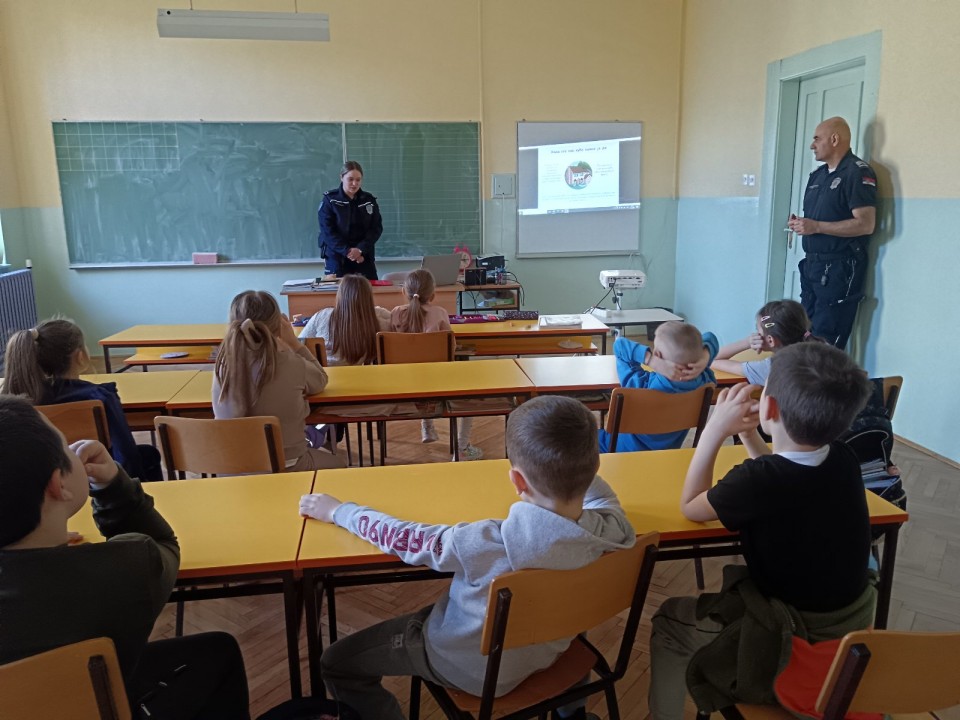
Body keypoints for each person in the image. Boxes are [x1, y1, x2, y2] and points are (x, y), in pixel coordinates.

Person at [299, 395, 635, 720]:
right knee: (571, 605)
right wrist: (572, 468)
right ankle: (572, 714)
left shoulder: (484, 541)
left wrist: (339, 511)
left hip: (468, 669)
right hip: (551, 649)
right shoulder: (612, 531)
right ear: (594, 467)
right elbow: (604, 498)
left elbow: (402, 537)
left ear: (517, 480)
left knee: (336, 663)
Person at [648, 343, 875, 720]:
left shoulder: (757, 481)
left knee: (670, 620)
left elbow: (691, 506)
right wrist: (750, 435)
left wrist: (713, 431)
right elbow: (783, 471)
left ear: (769, 408)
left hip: (790, 636)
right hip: (847, 629)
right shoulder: (842, 457)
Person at [0, 395, 250, 719]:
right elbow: (162, 543)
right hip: (99, 703)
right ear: (58, 484)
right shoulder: (124, 568)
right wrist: (112, 487)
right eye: (64, 445)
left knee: (214, 651)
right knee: (217, 652)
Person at [1, 318, 162, 481]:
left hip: (37, 481)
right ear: (80, 356)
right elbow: (126, 455)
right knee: (148, 455)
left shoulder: (13, 401)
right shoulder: (99, 397)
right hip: (95, 480)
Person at [213, 290, 345, 471]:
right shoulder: (291, 363)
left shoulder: (222, 367)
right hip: (289, 465)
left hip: (233, 470)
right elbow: (320, 379)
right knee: (339, 464)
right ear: (278, 325)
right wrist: (294, 344)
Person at [787, 116, 877, 349]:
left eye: (817, 139)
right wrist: (802, 224)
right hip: (812, 266)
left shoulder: (857, 173)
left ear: (834, 139)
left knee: (826, 341)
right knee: (803, 332)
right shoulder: (817, 176)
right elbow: (818, 220)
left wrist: (816, 226)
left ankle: (824, 374)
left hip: (839, 268)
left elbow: (866, 224)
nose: (812, 145)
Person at [390, 268, 482, 460]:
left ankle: (428, 427)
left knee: (421, 372)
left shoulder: (396, 313)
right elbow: (450, 347)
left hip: (402, 383)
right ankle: (462, 448)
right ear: (433, 295)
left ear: (404, 292)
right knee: (470, 393)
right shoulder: (440, 313)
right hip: (438, 382)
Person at [598, 321, 718, 453]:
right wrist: (704, 358)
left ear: (657, 355)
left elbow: (620, 346)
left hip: (621, 450)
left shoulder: (642, 385)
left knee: (587, 436)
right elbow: (711, 337)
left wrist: (650, 360)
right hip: (665, 454)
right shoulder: (705, 380)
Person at [711, 299, 823, 386]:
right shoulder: (823, 351)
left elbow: (711, 359)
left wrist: (747, 342)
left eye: (758, 330)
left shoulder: (771, 367)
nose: (756, 334)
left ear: (770, 340)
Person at [298, 275, 392, 366]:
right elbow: (394, 319)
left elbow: (300, 342)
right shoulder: (376, 321)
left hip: (326, 373)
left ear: (340, 295)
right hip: (360, 374)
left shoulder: (322, 315)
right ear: (369, 298)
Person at [318, 160, 383, 280]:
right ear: (341, 177)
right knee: (339, 291)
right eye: (350, 179)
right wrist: (348, 252)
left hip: (363, 257)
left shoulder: (369, 200)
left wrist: (360, 249)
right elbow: (328, 232)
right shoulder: (330, 200)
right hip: (337, 258)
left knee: (368, 290)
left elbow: (376, 228)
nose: (354, 183)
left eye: (358, 180)